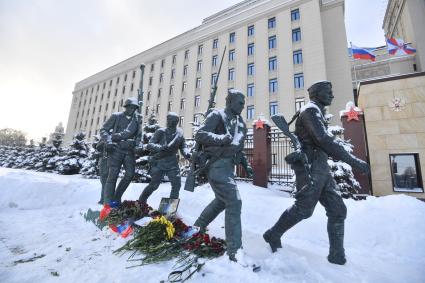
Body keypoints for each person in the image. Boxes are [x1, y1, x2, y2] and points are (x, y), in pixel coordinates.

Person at [263, 81, 370, 265]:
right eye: (328, 92)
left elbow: (323, 142)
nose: (332, 95)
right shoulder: (310, 111)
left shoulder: (315, 112)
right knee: (304, 209)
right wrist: (353, 161)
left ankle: (337, 255)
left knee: (337, 210)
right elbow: (324, 140)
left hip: (321, 167)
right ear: (317, 94)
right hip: (311, 167)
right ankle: (273, 234)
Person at [192, 89, 253, 262]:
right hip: (216, 165)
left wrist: (246, 165)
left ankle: (198, 226)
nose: (243, 106)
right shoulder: (216, 115)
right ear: (230, 102)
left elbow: (238, 149)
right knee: (234, 201)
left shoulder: (240, 122)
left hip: (229, 166)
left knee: (221, 201)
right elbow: (200, 134)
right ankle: (234, 251)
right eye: (240, 102)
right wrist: (220, 139)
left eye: (243, 103)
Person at [139, 112, 191, 203]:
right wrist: (160, 147)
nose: (171, 122)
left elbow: (183, 147)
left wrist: (187, 154)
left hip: (172, 163)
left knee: (176, 185)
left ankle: (169, 209)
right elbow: (150, 145)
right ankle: (141, 203)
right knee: (154, 185)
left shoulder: (179, 135)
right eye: (169, 120)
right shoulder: (160, 132)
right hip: (159, 162)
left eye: (174, 121)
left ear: (177, 122)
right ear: (167, 121)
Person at [100, 97, 139, 204]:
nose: (132, 110)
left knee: (130, 174)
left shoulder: (136, 120)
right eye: (130, 107)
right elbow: (103, 130)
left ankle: (117, 197)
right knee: (113, 176)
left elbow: (138, 135)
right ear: (126, 107)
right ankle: (107, 203)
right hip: (116, 149)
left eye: (134, 108)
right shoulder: (116, 117)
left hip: (129, 151)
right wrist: (108, 141)